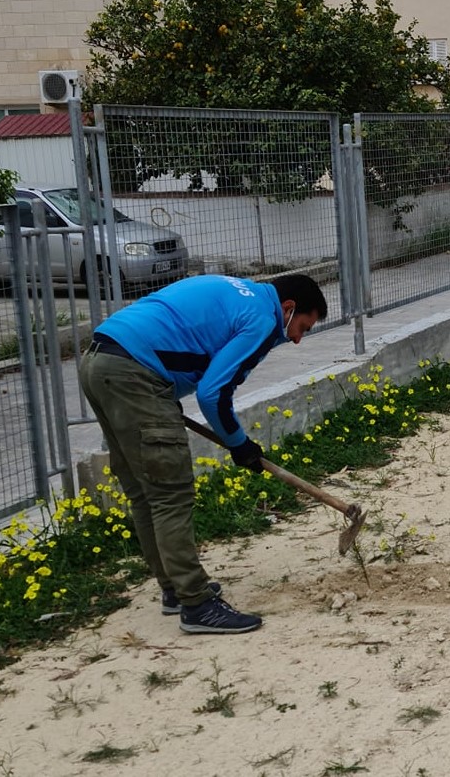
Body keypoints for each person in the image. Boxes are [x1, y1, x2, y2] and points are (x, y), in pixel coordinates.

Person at [78, 272, 327, 635]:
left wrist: (160, 398)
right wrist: (239, 444)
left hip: (100, 362)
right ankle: (196, 604)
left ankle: (174, 589)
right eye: (302, 326)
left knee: (145, 492)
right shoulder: (262, 317)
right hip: (133, 372)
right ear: (288, 308)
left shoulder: (240, 292)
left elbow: (184, 340)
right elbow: (213, 392)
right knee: (169, 492)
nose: (297, 339)